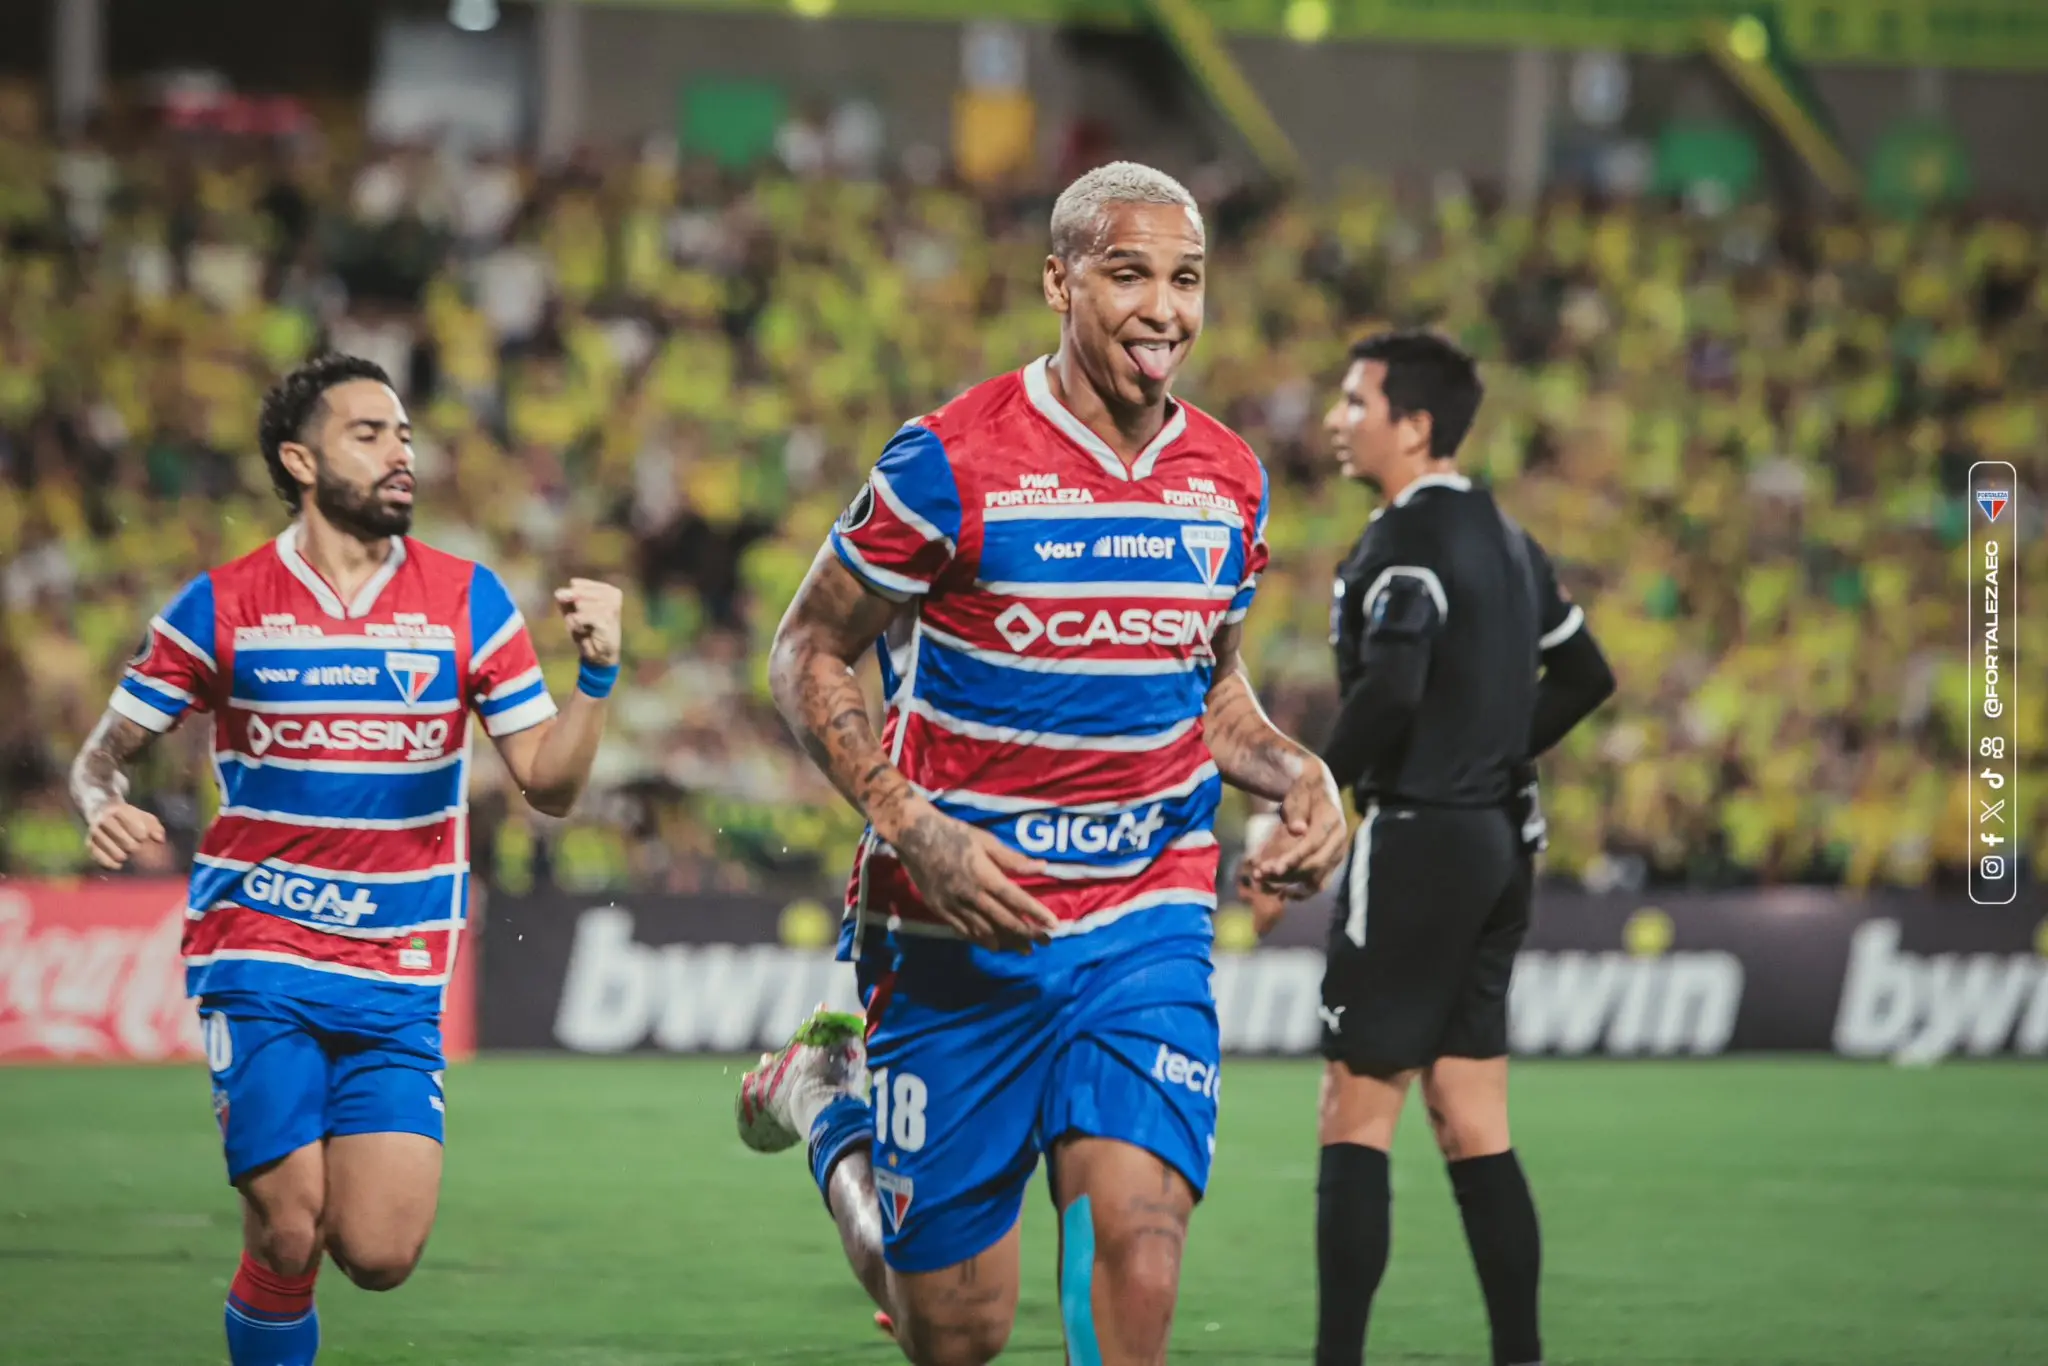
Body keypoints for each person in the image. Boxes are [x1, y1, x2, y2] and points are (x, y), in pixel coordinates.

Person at [732, 162, 1350, 1366]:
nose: (1164, 308)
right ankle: (824, 1104)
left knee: (1139, 1245)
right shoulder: (947, 461)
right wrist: (913, 826)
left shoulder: (1229, 480)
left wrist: (1297, 774)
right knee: (952, 1332)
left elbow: (1205, 686)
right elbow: (805, 649)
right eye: (1128, 275)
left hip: (1141, 922)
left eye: (1186, 279)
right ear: (1058, 282)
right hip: (957, 932)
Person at [69, 353, 623, 1366]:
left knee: (377, 1250)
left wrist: (596, 675)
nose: (400, 451)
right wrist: (100, 800)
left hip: (398, 966)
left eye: (405, 433)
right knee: (288, 1224)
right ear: (300, 458)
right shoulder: (224, 602)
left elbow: (548, 784)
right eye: (370, 433)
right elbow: (103, 751)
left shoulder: (468, 598)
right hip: (261, 945)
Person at [1247, 330, 1615, 1366]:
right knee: (1469, 1113)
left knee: (1353, 1111)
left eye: (1354, 400)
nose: (1332, 416)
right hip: (1502, 842)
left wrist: (1304, 795)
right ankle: (1518, 1354)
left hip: (1417, 839)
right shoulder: (1508, 539)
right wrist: (1492, 747)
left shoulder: (1400, 545)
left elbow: (1394, 682)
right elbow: (1585, 675)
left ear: (1411, 425)